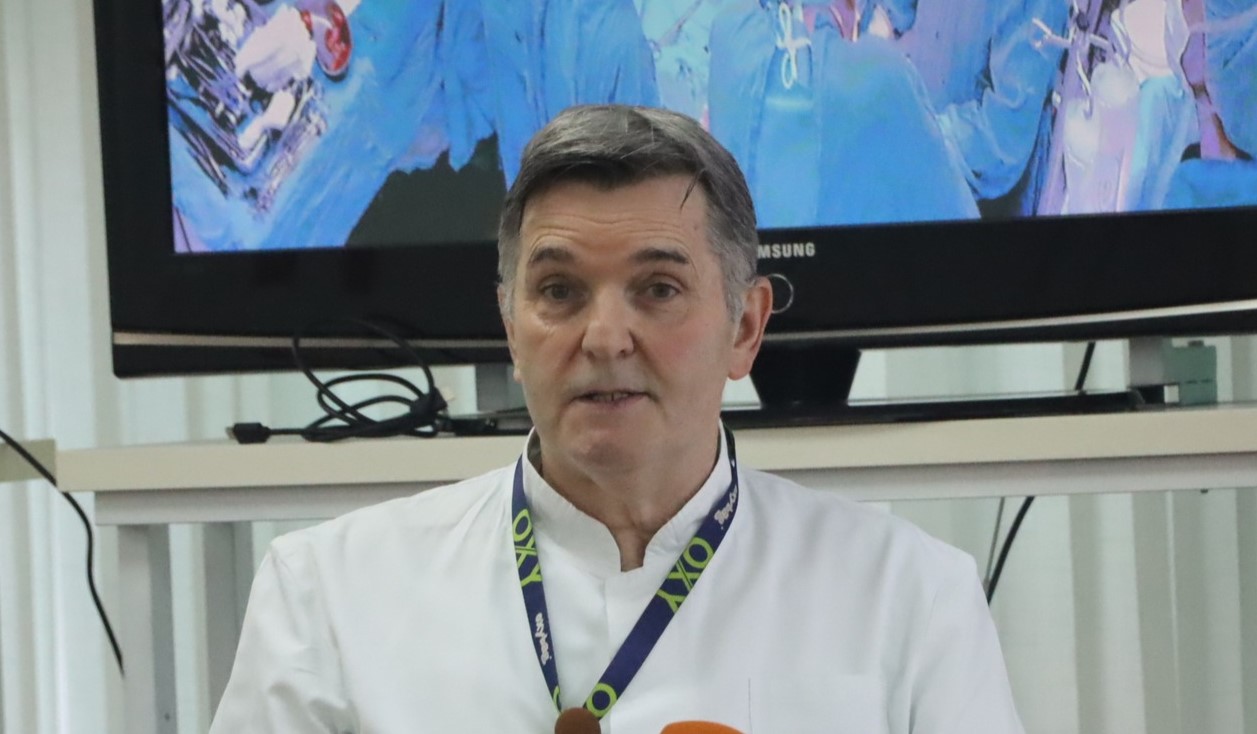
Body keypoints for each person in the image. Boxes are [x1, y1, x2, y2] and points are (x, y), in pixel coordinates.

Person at [209, 104, 1024, 733]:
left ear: (745, 328)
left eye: (657, 289)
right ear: (510, 327)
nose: (603, 338)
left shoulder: (908, 595)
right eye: (558, 291)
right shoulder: (328, 593)